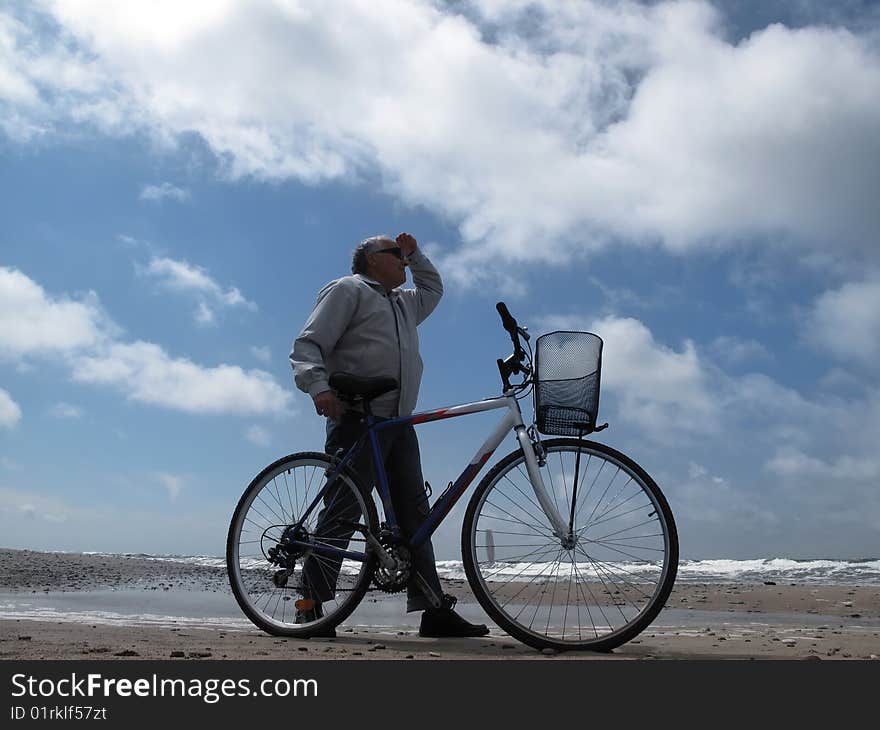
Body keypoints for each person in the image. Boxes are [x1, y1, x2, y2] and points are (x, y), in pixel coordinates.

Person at [290, 232, 489, 639]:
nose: (401, 260)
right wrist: (317, 385)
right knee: (345, 508)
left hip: (399, 422)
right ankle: (310, 603)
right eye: (395, 254)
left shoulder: (403, 303)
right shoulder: (348, 290)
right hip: (357, 418)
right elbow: (308, 342)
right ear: (370, 260)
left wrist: (416, 254)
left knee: (416, 517)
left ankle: (433, 610)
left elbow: (433, 288)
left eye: (403, 255)